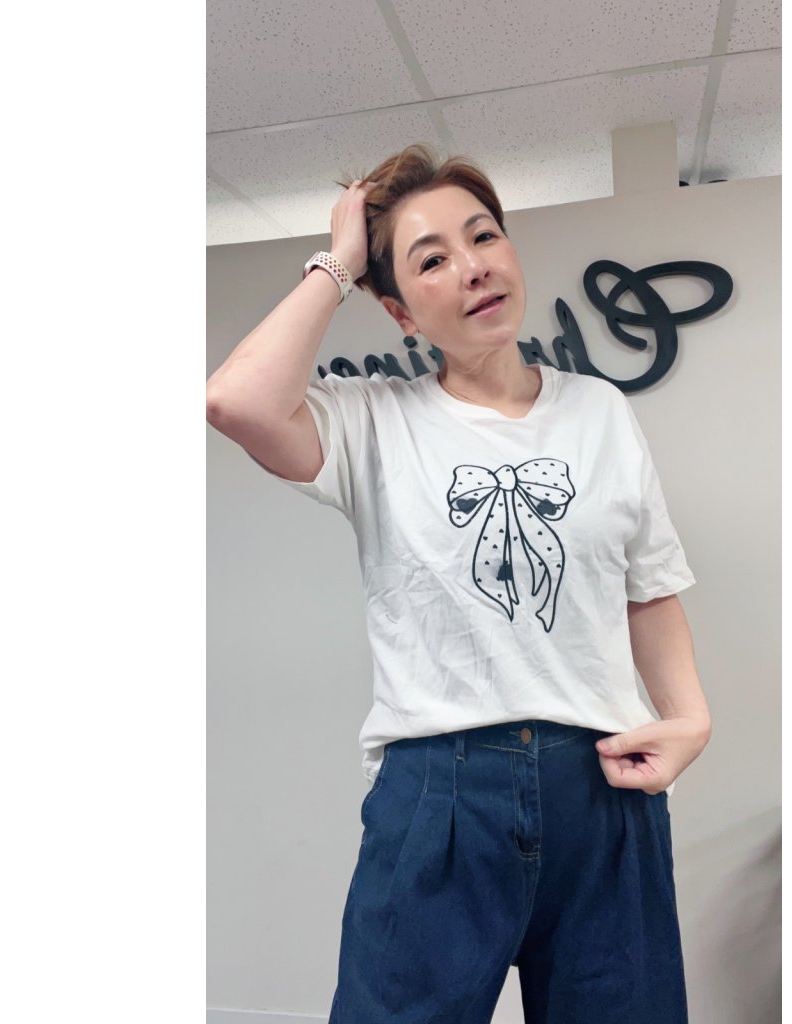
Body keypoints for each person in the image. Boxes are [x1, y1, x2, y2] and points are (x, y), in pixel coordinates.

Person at [206, 143, 712, 1023]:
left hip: (601, 784)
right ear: (400, 311)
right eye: (431, 259)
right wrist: (340, 259)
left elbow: (648, 584)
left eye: (483, 237)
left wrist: (690, 716)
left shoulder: (600, 410)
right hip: (440, 792)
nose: (472, 266)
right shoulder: (373, 423)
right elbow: (235, 401)